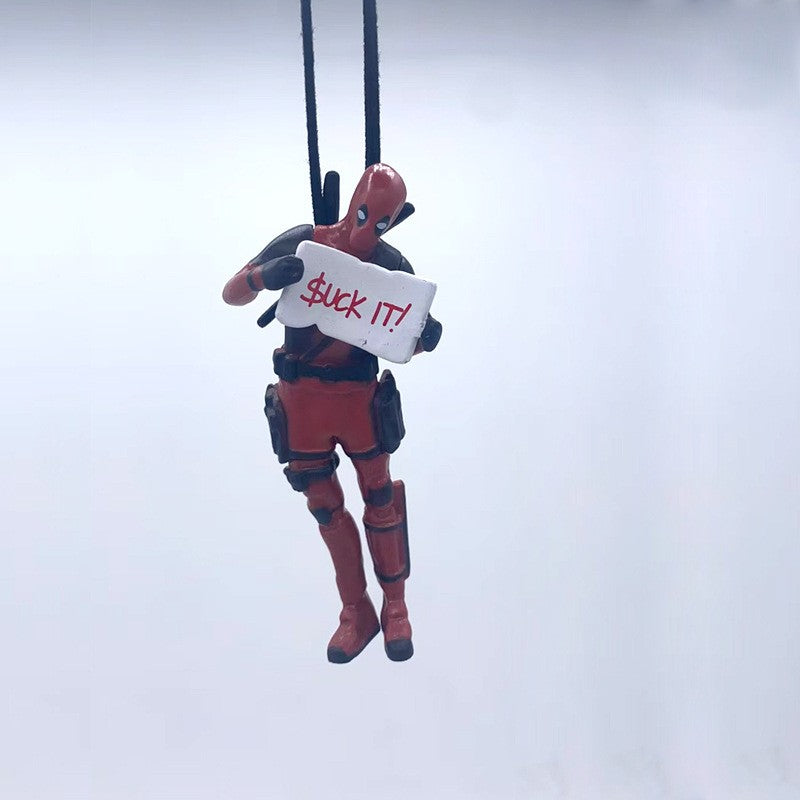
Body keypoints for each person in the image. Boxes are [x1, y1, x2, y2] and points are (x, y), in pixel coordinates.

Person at [222, 163, 441, 662]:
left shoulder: (391, 266)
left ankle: (396, 607)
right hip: (301, 401)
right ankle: (354, 610)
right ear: (352, 201)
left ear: (395, 220)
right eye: (363, 215)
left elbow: (407, 336)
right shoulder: (307, 242)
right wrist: (264, 276)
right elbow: (232, 291)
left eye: (380, 223)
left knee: (379, 498)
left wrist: (426, 336)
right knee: (324, 506)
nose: (367, 231)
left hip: (358, 400)